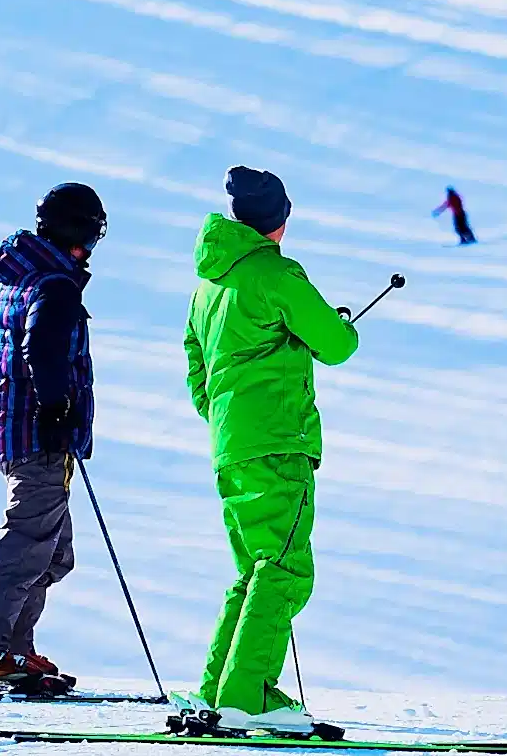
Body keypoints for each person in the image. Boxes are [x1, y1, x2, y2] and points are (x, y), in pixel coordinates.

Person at [183, 167, 358, 733]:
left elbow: (197, 375)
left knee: (252, 568)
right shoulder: (275, 273)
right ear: (279, 220)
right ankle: (250, 694)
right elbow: (336, 343)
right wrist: (335, 326)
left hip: (231, 445)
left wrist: (231, 419)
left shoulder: (208, 287)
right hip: (279, 441)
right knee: (284, 567)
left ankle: (219, 688)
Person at [0, 183, 107, 695]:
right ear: (79, 233)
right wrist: (57, 407)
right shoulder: (54, 284)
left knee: (53, 552)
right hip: (38, 434)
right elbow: (40, 348)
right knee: (27, 543)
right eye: (92, 234)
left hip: (16, 432)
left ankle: (10, 648)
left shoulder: (18, 281)